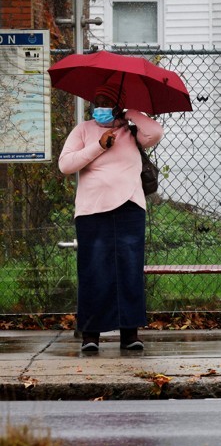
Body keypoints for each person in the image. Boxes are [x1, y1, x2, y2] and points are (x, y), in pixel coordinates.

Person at [58, 80, 164, 352]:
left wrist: (129, 114)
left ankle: (130, 335)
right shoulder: (83, 130)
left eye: (106, 102)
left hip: (129, 208)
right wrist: (98, 146)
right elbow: (66, 164)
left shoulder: (131, 131)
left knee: (129, 270)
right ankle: (90, 335)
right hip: (92, 210)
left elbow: (155, 132)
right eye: (97, 101)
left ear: (117, 106)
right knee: (94, 271)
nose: (100, 107)